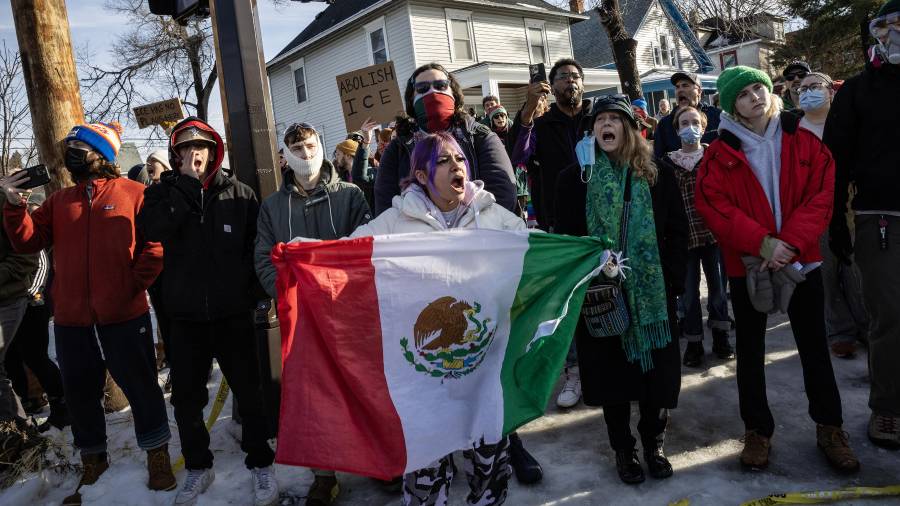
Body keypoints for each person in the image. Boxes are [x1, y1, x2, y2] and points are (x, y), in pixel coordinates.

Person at [0, 122, 176, 505]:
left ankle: (156, 453)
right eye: (70, 146)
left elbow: (156, 244)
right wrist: (15, 207)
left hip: (125, 315)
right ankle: (93, 459)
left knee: (142, 385)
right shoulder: (59, 201)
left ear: (101, 155)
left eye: (79, 146)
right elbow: (27, 241)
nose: (71, 152)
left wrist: (134, 284)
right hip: (71, 320)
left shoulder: (135, 193)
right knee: (79, 393)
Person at [696, 66, 859, 472]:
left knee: (813, 348)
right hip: (748, 263)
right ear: (731, 104)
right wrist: (762, 242)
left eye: (759, 88)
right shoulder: (718, 152)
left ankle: (830, 426)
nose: (755, 96)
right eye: (744, 93)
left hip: (800, 259)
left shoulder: (803, 138)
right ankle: (757, 430)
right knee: (750, 352)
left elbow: (822, 193)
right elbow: (714, 204)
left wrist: (789, 244)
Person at [351, 132, 522, 505]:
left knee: (490, 470)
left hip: (483, 376)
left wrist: (583, 255)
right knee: (425, 479)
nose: (456, 166)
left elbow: (533, 252)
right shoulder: (397, 221)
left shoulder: (493, 216)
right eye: (443, 161)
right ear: (423, 176)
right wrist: (304, 257)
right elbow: (350, 255)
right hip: (423, 384)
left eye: (460, 159)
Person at [138, 117, 278, 506]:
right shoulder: (161, 194)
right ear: (176, 154)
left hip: (232, 314)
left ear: (214, 151)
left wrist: (249, 294)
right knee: (186, 399)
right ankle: (199, 465)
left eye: (201, 148)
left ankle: (261, 461)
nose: (194, 154)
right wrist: (184, 187)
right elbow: (152, 230)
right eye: (186, 148)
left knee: (250, 394)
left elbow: (257, 247)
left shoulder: (240, 193)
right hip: (184, 318)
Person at [554, 95, 688, 485]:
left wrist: (673, 283)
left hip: (651, 297)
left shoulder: (656, 173)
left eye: (614, 119)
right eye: (599, 120)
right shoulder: (575, 178)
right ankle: (623, 449)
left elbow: (677, 232)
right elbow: (566, 237)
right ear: (592, 131)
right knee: (612, 380)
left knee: (656, 381)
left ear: (630, 129)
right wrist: (590, 269)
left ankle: (653, 442)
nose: (605, 125)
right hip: (600, 297)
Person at [255, 122, 371, 505]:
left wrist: (341, 289)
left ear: (320, 146)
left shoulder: (351, 195)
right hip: (301, 316)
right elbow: (263, 257)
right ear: (285, 155)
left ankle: (375, 459)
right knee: (314, 395)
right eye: (297, 149)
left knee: (361, 386)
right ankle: (324, 475)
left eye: (309, 146)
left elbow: (366, 247)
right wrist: (286, 291)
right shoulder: (273, 207)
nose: (305, 154)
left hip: (347, 312)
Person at [824, 0, 900, 449]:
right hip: (881, 218)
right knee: (890, 317)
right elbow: (835, 161)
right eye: (886, 26)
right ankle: (889, 408)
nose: (893, 33)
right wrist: (836, 221)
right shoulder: (858, 91)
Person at [510, 57, 592, 409]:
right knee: (570, 299)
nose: (569, 82)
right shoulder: (542, 125)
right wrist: (528, 108)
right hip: (560, 224)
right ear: (552, 85)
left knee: (610, 293)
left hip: (604, 217)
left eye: (575, 76)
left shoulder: (598, 117)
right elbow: (517, 152)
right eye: (562, 77)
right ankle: (575, 371)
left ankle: (612, 368)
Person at [374, 63, 516, 216]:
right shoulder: (397, 148)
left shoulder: (480, 136)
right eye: (422, 88)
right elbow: (385, 206)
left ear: (454, 93)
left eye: (441, 85)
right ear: (411, 100)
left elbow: (503, 195)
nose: (433, 92)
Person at [796, 72, 869, 360]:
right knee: (825, 270)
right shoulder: (793, 130)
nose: (808, 92)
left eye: (815, 86)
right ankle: (840, 330)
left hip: (850, 204)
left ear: (830, 91)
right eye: (802, 88)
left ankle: (867, 325)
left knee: (856, 268)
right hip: (813, 209)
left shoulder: (847, 123)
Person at [659, 106, 734, 367]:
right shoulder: (667, 162)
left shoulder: (713, 155)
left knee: (718, 290)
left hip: (713, 235)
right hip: (683, 239)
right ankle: (693, 341)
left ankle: (721, 334)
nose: (689, 127)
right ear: (676, 129)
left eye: (695, 122)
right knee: (688, 294)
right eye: (683, 122)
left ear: (703, 127)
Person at [4, 191, 70, 433]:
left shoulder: (33, 235)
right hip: (14, 303)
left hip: (33, 305)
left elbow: (41, 266)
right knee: (11, 356)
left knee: (35, 356)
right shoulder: (11, 228)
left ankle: (61, 403)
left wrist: (28, 293)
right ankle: (23, 400)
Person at [0, 172, 41, 464]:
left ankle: (20, 433)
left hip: (9, 297)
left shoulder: (7, 199)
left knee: (32, 357)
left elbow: (27, 258)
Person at [653, 71, 721, 157]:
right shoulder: (665, 124)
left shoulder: (717, 116)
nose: (680, 90)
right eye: (677, 87)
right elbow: (658, 158)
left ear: (699, 91)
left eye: (685, 85)